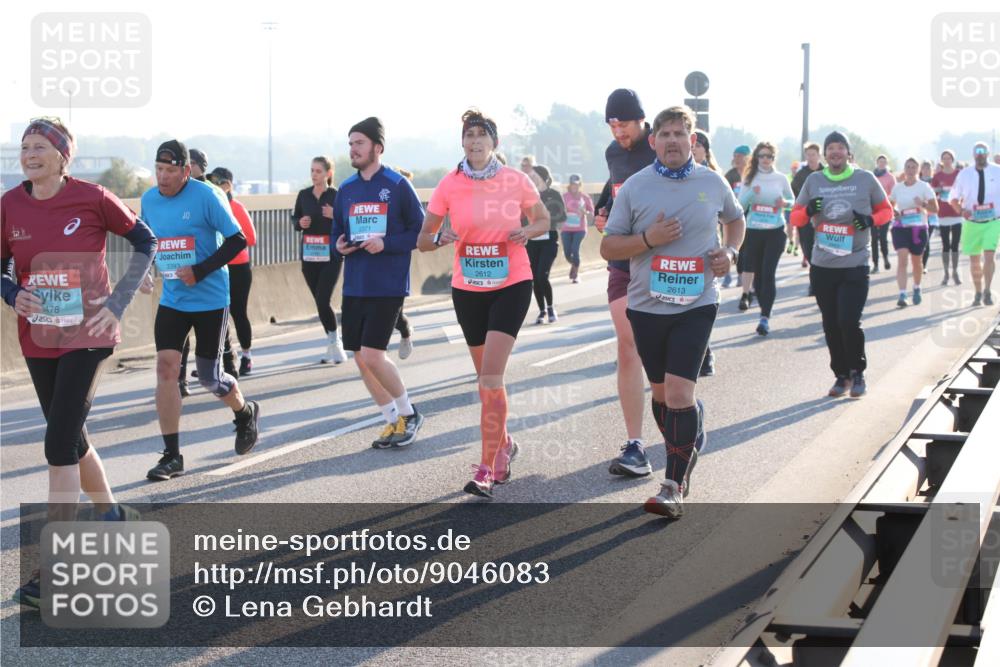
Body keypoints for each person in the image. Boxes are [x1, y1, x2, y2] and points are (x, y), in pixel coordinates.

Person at [3, 117, 156, 606]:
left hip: (89, 333)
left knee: (58, 443)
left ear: (63, 155)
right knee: (71, 435)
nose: (29, 154)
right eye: (24, 147)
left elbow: (146, 242)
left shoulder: (93, 197)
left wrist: (117, 303)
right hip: (38, 335)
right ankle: (111, 516)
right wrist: (13, 293)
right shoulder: (9, 204)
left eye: (40, 147)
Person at [601, 105, 745, 518]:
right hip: (647, 306)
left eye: (680, 134)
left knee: (681, 392)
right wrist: (649, 238)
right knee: (663, 397)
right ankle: (689, 431)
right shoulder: (634, 187)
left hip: (697, 303)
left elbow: (736, 221)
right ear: (653, 142)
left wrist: (730, 252)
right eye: (664, 135)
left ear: (693, 140)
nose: (672, 141)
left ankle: (673, 485)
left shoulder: (713, 182)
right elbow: (610, 247)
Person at [418, 109, 550, 497]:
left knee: (491, 379)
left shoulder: (515, 179)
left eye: (482, 134)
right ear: (462, 142)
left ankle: (487, 470)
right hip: (468, 287)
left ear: (495, 142)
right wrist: (439, 237)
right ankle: (504, 445)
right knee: (485, 382)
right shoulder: (449, 184)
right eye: (469, 135)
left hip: (511, 283)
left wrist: (525, 231)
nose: (475, 140)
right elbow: (423, 238)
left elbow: (543, 220)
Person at [143, 139, 260, 481]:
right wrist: (145, 273)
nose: (162, 177)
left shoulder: (207, 195)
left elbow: (238, 240)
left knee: (209, 376)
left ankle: (244, 412)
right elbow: (148, 240)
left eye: (169, 171)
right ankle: (172, 455)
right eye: (158, 170)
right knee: (167, 369)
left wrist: (200, 270)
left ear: (184, 170)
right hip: (173, 300)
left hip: (210, 299)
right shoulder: (150, 199)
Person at [333, 117, 425, 449]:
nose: (353, 149)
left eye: (359, 143)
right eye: (350, 144)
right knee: (360, 357)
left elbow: (420, 231)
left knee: (372, 355)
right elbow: (337, 236)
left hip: (387, 283)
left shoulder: (398, 185)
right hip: (355, 283)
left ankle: (409, 412)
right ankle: (392, 420)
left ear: (377, 147)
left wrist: (387, 243)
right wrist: (339, 245)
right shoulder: (345, 189)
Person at [791, 132, 893, 398]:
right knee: (830, 323)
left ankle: (857, 372)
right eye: (831, 148)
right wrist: (809, 210)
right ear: (825, 154)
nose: (835, 152)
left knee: (849, 320)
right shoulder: (814, 180)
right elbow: (796, 217)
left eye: (840, 148)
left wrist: (870, 220)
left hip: (855, 262)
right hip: (823, 264)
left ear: (849, 153)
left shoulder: (865, 179)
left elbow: (886, 211)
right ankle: (841, 375)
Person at [593, 89, 657, 477]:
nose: (618, 132)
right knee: (628, 344)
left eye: (624, 124)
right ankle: (636, 445)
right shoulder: (614, 153)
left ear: (642, 120)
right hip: (622, 261)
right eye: (612, 125)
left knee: (656, 348)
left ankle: (683, 409)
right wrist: (603, 212)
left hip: (662, 262)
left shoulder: (660, 147)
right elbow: (614, 186)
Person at [292, 156, 347, 364]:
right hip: (309, 255)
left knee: (323, 299)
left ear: (328, 174)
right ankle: (331, 343)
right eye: (312, 170)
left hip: (331, 254)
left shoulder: (336, 195)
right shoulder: (304, 195)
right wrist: (300, 222)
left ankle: (336, 343)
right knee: (319, 302)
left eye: (318, 171)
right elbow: (295, 219)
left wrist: (335, 215)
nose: (314, 174)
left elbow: (348, 221)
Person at [738, 142, 794, 335]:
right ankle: (762, 310)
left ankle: (764, 317)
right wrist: (752, 194)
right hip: (754, 231)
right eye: (762, 155)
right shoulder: (750, 177)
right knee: (759, 277)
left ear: (773, 159)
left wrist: (784, 203)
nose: (765, 159)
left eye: (769, 156)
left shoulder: (780, 178)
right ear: (756, 157)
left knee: (768, 273)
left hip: (775, 231)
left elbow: (793, 202)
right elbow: (740, 205)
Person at [209, 167, 257, 374]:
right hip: (217, 268)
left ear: (227, 185)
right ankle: (220, 360)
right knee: (217, 314)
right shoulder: (210, 206)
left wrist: (229, 242)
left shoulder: (237, 207)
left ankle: (246, 355)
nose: (213, 187)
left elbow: (252, 239)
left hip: (238, 268)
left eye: (217, 183)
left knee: (238, 312)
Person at [949, 142, 1000, 306]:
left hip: (992, 221)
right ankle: (978, 291)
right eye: (977, 151)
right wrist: (961, 210)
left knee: (989, 255)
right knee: (974, 260)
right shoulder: (964, 174)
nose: (980, 154)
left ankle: (987, 290)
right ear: (973, 154)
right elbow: (953, 198)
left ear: (988, 153)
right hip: (972, 222)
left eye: (983, 151)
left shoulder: (997, 171)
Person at [889, 158, 938, 307]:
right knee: (902, 259)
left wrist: (922, 204)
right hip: (901, 228)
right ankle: (902, 294)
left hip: (919, 229)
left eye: (913, 167)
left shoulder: (924, 187)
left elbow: (935, 209)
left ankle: (917, 287)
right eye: (908, 167)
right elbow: (890, 206)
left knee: (917, 262)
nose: (910, 170)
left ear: (918, 170)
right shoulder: (898, 188)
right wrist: (895, 212)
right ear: (904, 169)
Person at [527, 164, 565, 324]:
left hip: (549, 241)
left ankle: (550, 308)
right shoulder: (527, 196)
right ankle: (541, 311)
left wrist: (545, 220)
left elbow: (562, 217)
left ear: (544, 178)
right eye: (530, 177)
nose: (532, 180)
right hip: (532, 242)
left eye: (535, 177)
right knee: (534, 278)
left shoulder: (553, 194)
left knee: (542, 275)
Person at [791, 142, 825, 283]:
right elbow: (794, 194)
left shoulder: (826, 172)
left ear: (819, 155)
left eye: (813, 154)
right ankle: (815, 277)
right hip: (805, 216)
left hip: (824, 217)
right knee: (808, 249)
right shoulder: (801, 175)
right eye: (808, 155)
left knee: (823, 249)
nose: (811, 157)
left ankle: (817, 281)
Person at [932, 149, 963, 285]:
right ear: (941, 160)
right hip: (943, 213)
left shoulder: (959, 174)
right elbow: (933, 194)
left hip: (956, 213)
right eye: (944, 158)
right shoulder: (937, 176)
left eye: (948, 158)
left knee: (955, 245)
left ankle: (955, 272)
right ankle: (946, 273)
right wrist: (938, 191)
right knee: (945, 245)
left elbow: (964, 190)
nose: (946, 160)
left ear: (952, 159)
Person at [561, 173, 594, 284]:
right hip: (566, 228)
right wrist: (563, 213)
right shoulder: (564, 196)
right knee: (567, 253)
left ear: (580, 184)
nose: (574, 186)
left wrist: (585, 212)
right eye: (572, 184)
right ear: (569, 185)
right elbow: (558, 211)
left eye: (576, 184)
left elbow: (591, 213)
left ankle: (575, 274)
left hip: (580, 229)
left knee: (575, 250)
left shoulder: (585, 197)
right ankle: (574, 264)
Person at [872, 155, 895, 273]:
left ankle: (885, 257)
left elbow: (894, 194)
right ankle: (875, 264)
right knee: (874, 239)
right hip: (872, 211)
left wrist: (891, 205)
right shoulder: (871, 176)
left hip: (885, 211)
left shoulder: (890, 177)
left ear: (886, 164)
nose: (882, 164)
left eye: (884, 162)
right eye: (880, 162)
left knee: (883, 237)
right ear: (877, 163)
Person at [919, 160, 936, 270]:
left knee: (926, 240)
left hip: (932, 216)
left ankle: (923, 265)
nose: (926, 170)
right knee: (919, 240)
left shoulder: (935, 181)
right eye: (924, 168)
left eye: (928, 168)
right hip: (919, 215)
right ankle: (918, 261)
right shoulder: (917, 182)